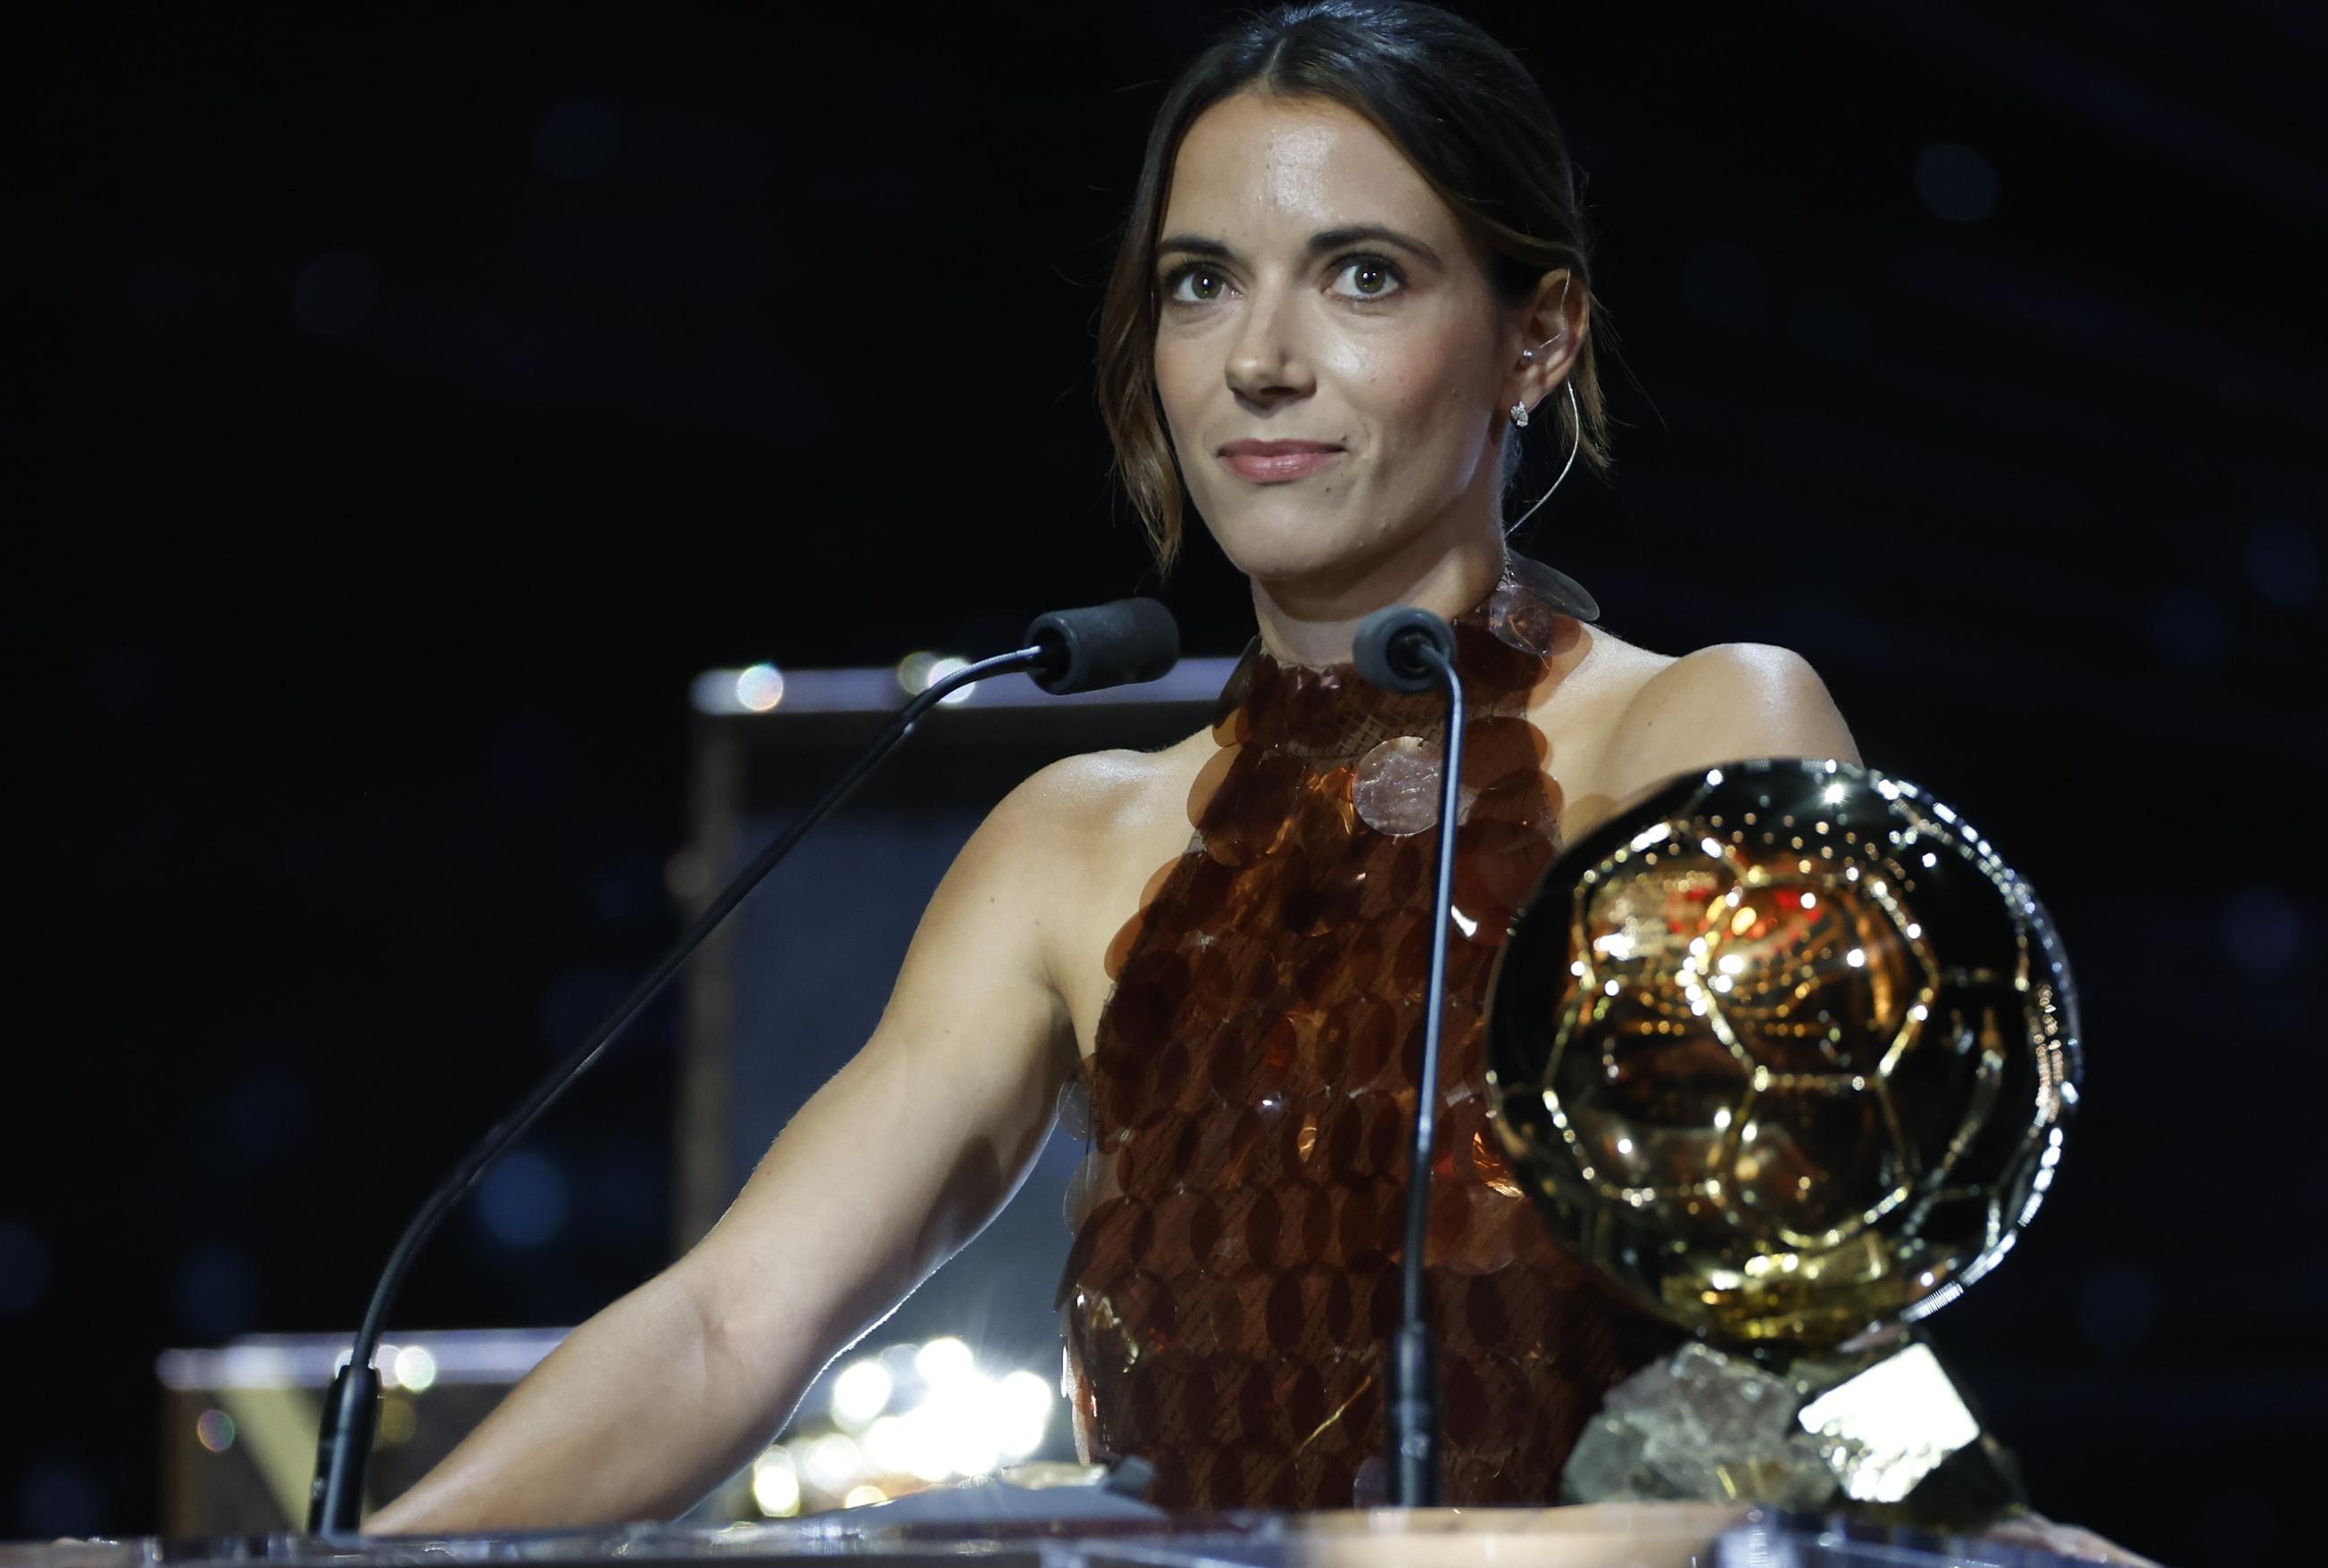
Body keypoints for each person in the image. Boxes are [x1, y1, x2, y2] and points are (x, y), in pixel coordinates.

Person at [373, 0, 1863, 1531]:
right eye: (1203, 285)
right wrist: (339, 1566)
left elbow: (1842, 1340)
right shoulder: (1067, 843)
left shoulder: (1706, 729)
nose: (1264, 362)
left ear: (1537, 336)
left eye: (1363, 276)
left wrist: (1969, 1525)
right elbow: (723, 1328)